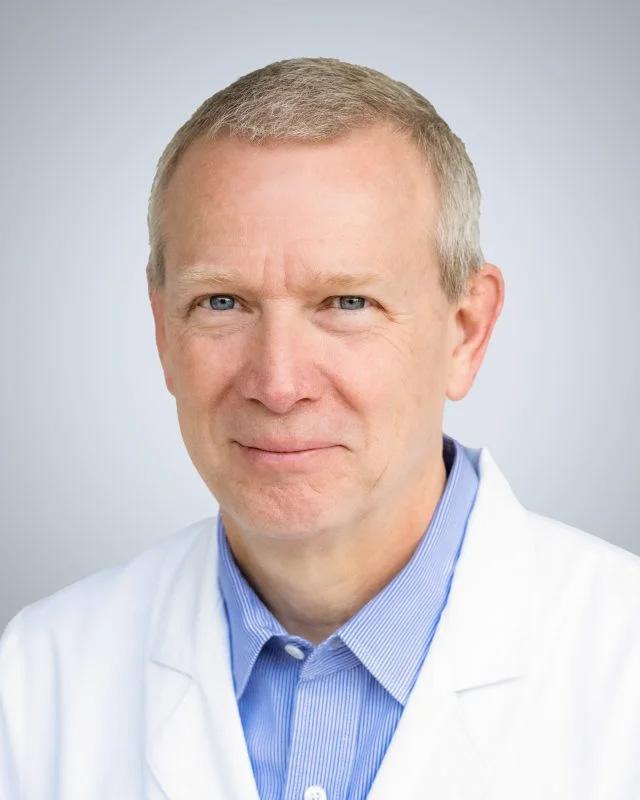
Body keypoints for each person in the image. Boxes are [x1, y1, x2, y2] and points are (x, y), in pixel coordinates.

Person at [1, 57, 638, 800]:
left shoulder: (621, 659)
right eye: (221, 303)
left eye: (346, 303)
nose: (278, 385)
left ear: (466, 331)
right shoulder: (40, 677)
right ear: (162, 329)